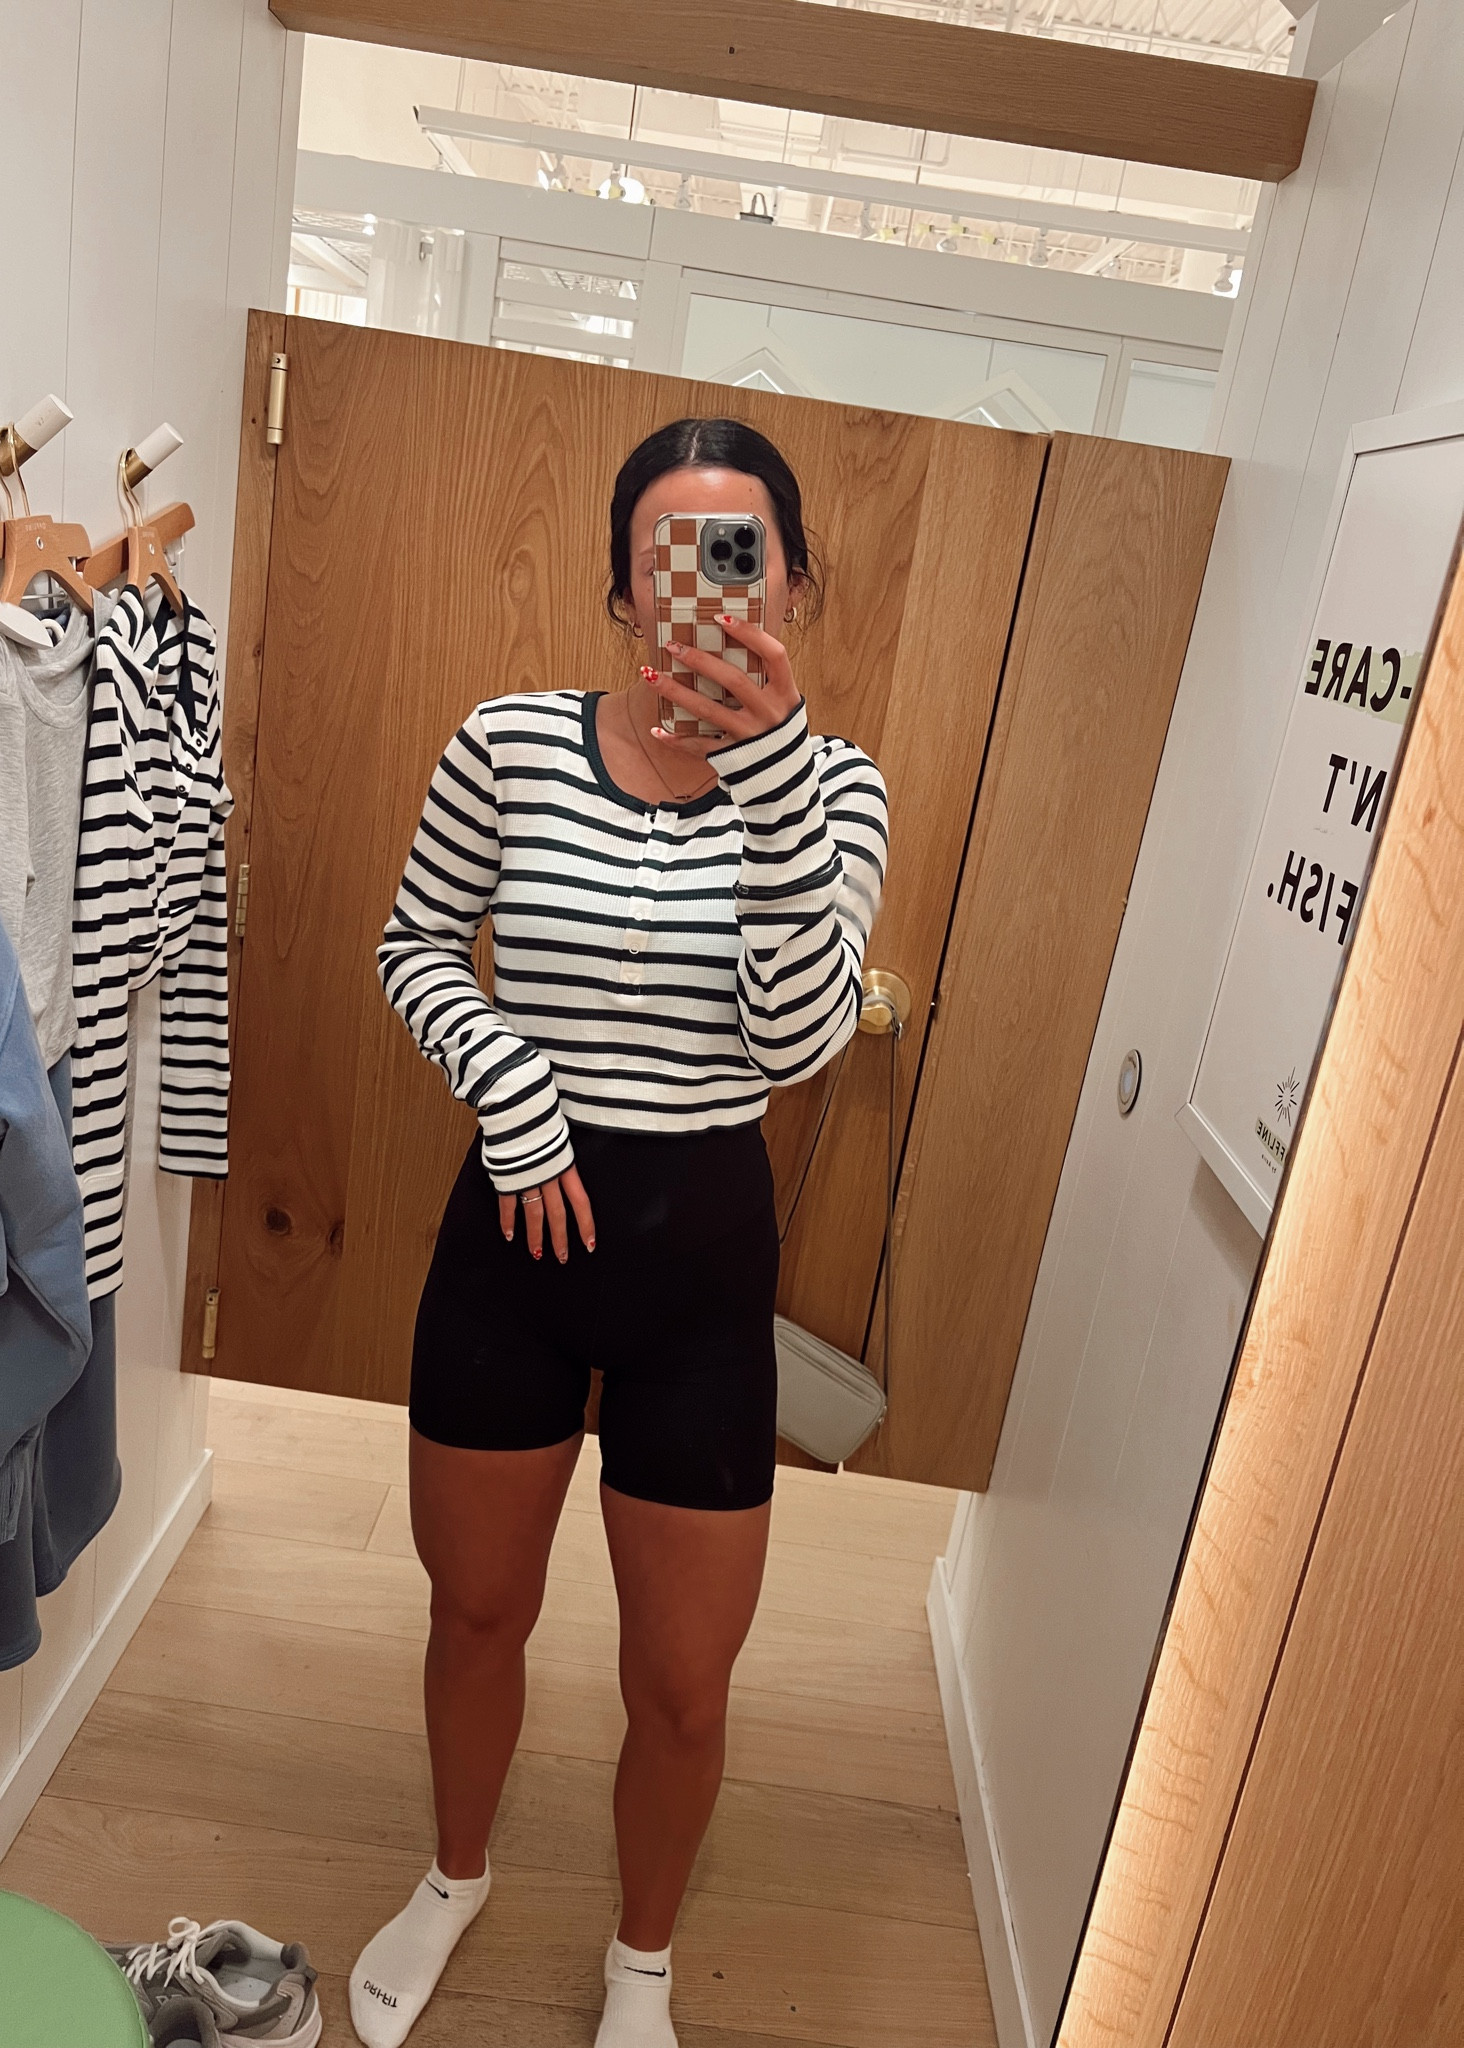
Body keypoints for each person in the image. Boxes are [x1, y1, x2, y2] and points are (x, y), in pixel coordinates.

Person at [350, 416, 889, 2048]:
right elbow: (413, 942)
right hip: (511, 1245)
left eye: (743, 553)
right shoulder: (507, 745)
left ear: (794, 583)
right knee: (473, 1612)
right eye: (673, 553)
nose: (708, 587)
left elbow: (796, 1040)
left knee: (685, 1683)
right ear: (623, 586)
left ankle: (641, 1961)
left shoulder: (841, 792)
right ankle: (453, 1875)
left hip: (700, 1269)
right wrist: (510, 1080)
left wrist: (774, 784)